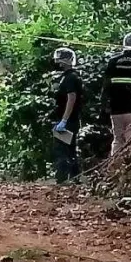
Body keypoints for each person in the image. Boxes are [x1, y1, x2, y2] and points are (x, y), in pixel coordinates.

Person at [50, 47, 83, 184]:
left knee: (63, 149)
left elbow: (72, 98)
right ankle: (75, 178)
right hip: (69, 119)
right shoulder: (68, 76)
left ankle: (62, 178)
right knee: (69, 149)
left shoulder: (70, 77)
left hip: (69, 120)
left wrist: (64, 120)